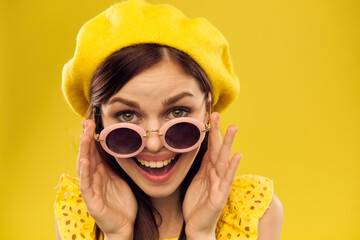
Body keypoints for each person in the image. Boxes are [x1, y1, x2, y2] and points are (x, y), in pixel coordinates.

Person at [54, 0, 284, 239]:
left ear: (207, 111)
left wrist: (202, 233)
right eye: (127, 115)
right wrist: (117, 234)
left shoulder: (256, 214)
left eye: (177, 112)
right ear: (99, 123)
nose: (153, 144)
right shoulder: (79, 217)